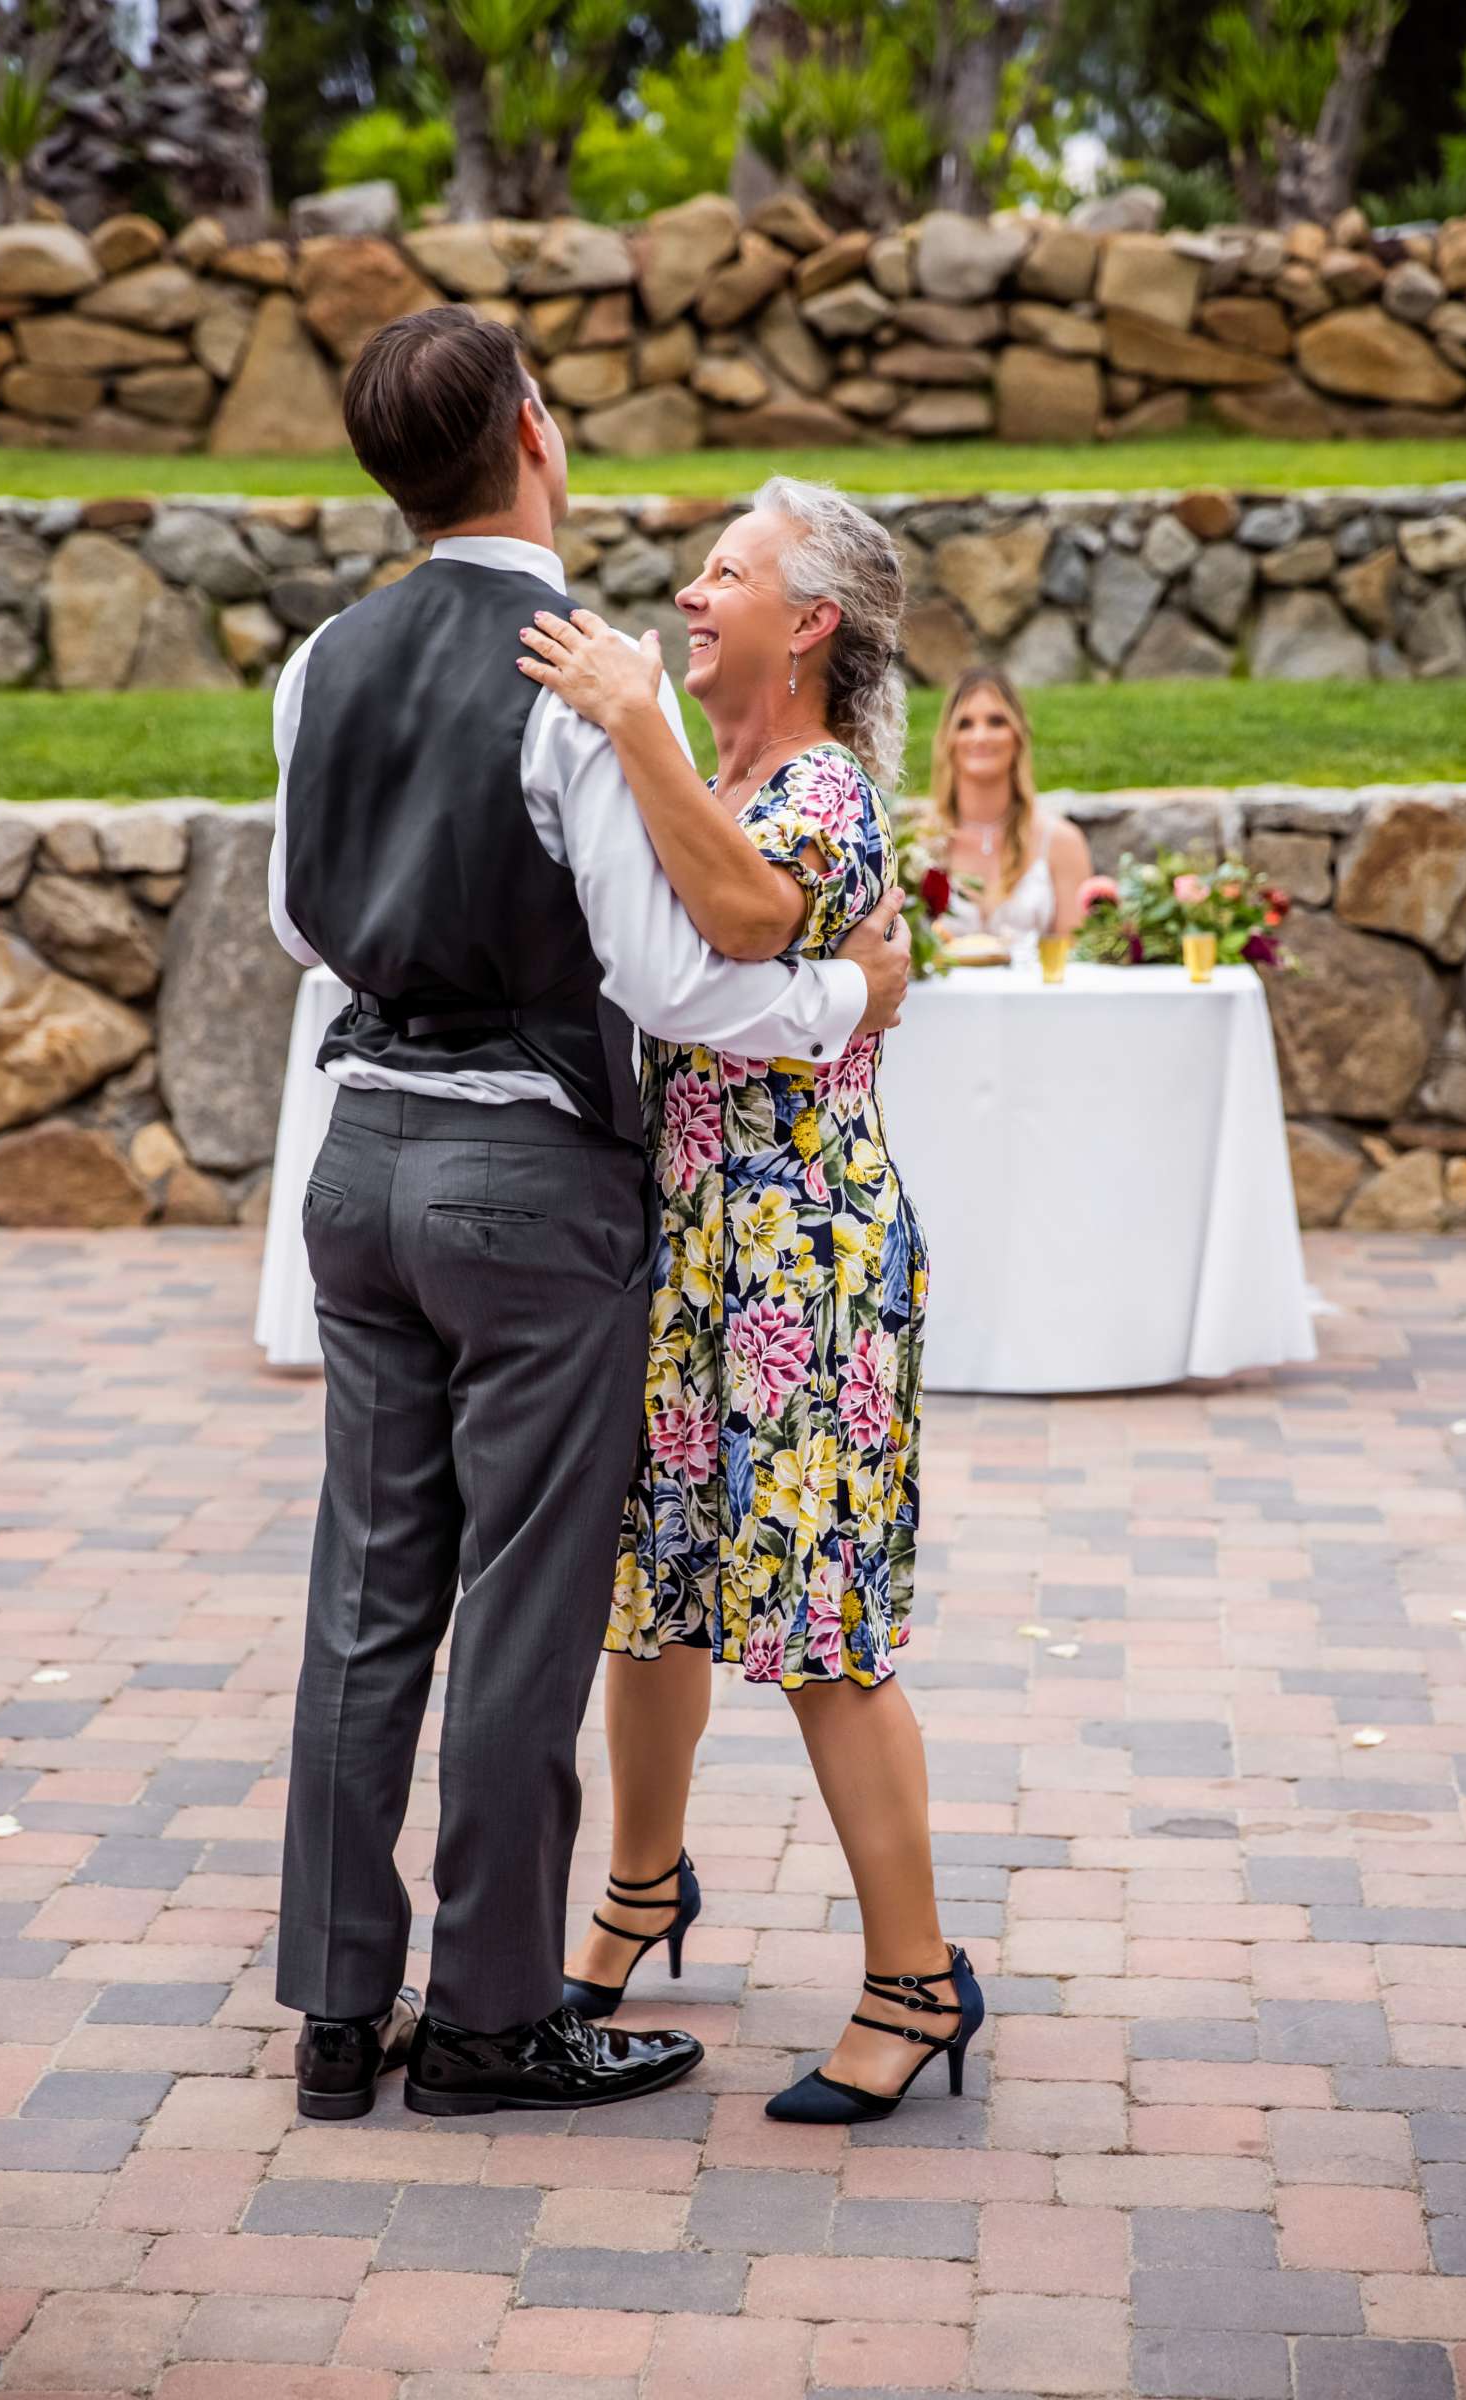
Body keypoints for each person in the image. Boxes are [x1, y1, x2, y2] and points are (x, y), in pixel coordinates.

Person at [266, 313, 913, 2123]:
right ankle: (485, 2024)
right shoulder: (574, 667)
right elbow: (671, 975)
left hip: (360, 1163)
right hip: (529, 1184)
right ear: (535, 435)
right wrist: (849, 1007)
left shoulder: (325, 659)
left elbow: (301, 920)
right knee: (525, 1607)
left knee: (364, 1596)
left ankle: (336, 2010)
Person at [518, 479, 984, 2126]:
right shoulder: (715, 772)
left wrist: (633, 719)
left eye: (728, 576)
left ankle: (916, 1979)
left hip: (807, 1269)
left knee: (819, 1631)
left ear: (811, 627)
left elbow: (738, 920)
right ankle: (641, 1889)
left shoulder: (828, 794)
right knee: (651, 1600)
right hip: (688, 1250)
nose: (689, 596)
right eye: (698, 572)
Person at [930, 669, 1090, 958]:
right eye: (965, 724)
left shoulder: (1062, 842)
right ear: (948, 740)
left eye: (996, 721)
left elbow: (1078, 957)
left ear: (1018, 736)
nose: (980, 736)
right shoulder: (920, 845)